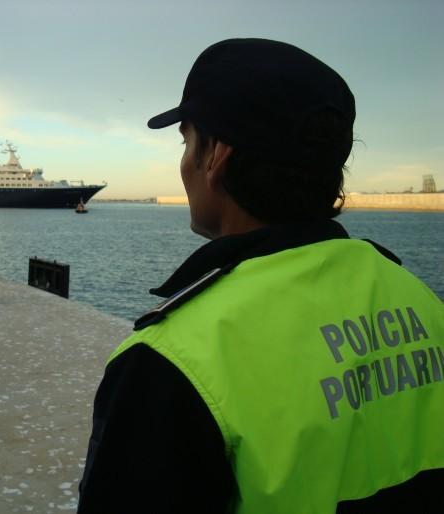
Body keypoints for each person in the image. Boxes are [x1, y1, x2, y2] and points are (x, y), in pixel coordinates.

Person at [77, 38, 444, 514]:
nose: (183, 162)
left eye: (186, 142)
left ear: (216, 156)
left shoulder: (171, 362)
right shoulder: (421, 301)